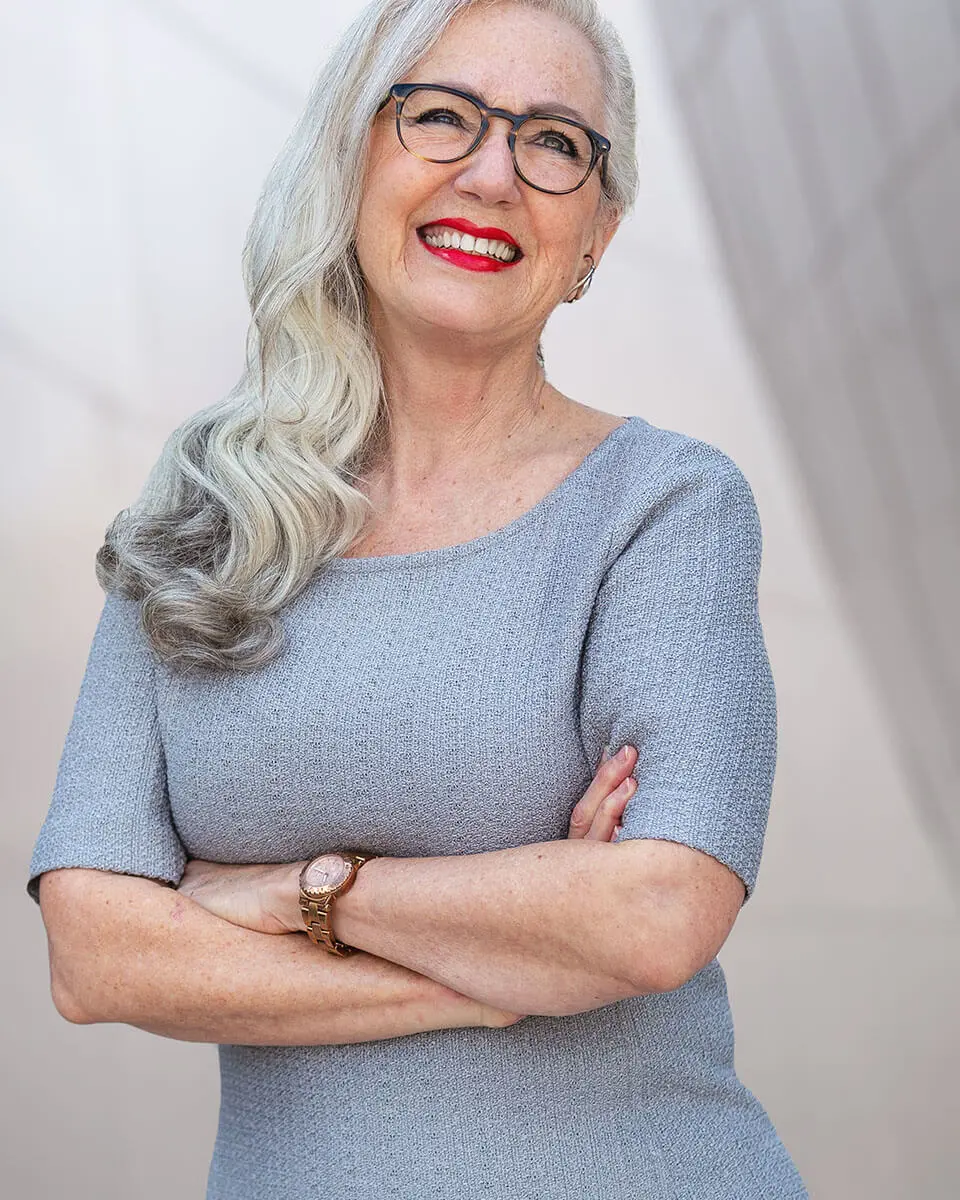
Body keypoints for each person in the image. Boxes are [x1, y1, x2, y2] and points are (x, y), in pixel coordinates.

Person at [27, 0, 809, 1196]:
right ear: (353, 161)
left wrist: (290, 897)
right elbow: (95, 953)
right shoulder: (203, 508)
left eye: (554, 143)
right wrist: (506, 966)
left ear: (596, 234)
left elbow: (656, 916)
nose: (493, 173)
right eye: (441, 116)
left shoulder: (667, 506)